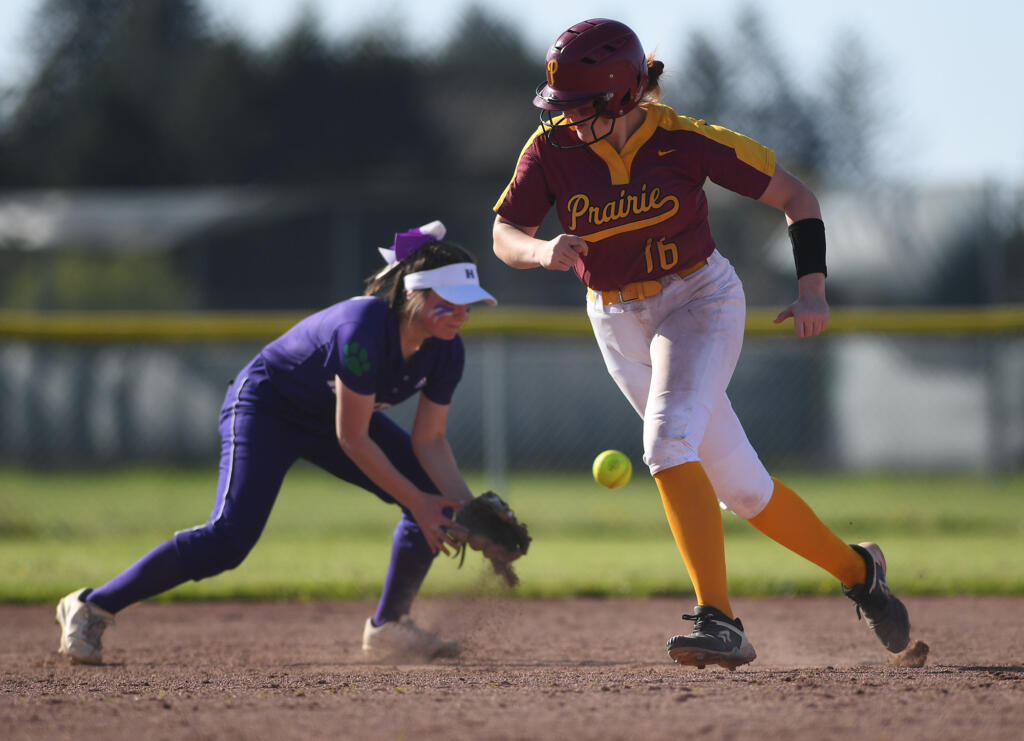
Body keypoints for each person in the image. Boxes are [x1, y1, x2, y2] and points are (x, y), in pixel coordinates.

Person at [492, 18, 911, 669]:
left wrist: (812, 289)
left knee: (665, 442)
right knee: (742, 490)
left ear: (625, 97)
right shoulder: (550, 148)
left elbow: (797, 197)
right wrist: (541, 248)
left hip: (698, 302)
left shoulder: (686, 141)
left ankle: (719, 619)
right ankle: (861, 571)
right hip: (613, 318)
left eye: (583, 108)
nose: (568, 120)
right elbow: (505, 232)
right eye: (562, 108)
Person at [55, 221, 497, 665]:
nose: (462, 313)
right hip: (268, 406)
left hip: (328, 416)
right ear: (413, 294)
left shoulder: (446, 349)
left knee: (431, 496)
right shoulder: (363, 327)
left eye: (469, 304)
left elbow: (431, 440)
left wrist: (466, 510)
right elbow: (354, 438)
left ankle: (390, 627)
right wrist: (420, 502)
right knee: (229, 540)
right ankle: (92, 606)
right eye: (451, 301)